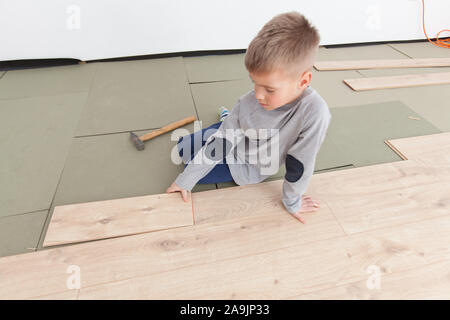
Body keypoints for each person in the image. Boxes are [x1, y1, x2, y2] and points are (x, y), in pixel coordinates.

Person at [166, 11, 331, 224]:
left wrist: (293, 202)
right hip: (234, 134)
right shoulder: (249, 102)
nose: (258, 95)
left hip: (246, 165)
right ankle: (229, 119)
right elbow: (220, 143)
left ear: (303, 81)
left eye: (269, 90)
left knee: (187, 159)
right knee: (182, 150)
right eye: (254, 83)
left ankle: (230, 121)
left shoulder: (315, 114)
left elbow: (299, 164)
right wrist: (185, 181)